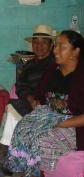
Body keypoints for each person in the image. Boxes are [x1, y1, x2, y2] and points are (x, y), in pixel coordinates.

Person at [5, 30, 84, 177]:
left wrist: (60, 124)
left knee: (40, 140)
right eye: (56, 46)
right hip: (48, 115)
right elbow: (40, 96)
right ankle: (20, 168)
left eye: (62, 46)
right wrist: (36, 102)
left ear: (75, 51)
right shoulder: (53, 71)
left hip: (72, 125)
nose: (56, 50)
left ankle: (41, 172)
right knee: (22, 128)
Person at [0, 24, 55, 146]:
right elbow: (20, 86)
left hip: (49, 102)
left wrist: (40, 101)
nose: (38, 46)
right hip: (31, 102)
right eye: (35, 42)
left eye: (44, 42)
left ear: (51, 45)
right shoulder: (29, 65)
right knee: (11, 104)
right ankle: (12, 146)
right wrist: (30, 99)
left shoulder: (55, 63)